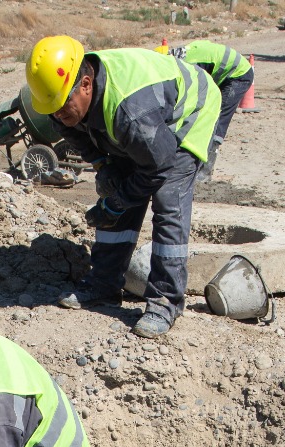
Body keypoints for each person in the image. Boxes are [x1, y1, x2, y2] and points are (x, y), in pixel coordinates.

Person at [25, 36, 217, 339]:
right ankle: (104, 284)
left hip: (188, 114)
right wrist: (105, 166)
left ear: (86, 84)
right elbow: (78, 138)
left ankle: (165, 302)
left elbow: (158, 167)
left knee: (168, 201)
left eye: (62, 107)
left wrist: (119, 202)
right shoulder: (61, 102)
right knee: (117, 187)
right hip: (145, 126)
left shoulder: (131, 114)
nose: (57, 116)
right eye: (52, 110)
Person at [160, 40, 252, 183]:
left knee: (216, 120)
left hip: (238, 75)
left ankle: (205, 171)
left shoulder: (187, 66)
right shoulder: (179, 56)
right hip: (224, 70)